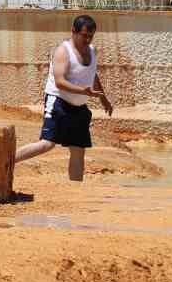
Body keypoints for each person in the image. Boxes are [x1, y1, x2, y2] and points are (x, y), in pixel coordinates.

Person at [14, 15, 114, 181]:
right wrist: (84, 91)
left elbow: (92, 74)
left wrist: (104, 98)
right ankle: (8, 161)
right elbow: (60, 82)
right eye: (84, 36)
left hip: (79, 106)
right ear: (73, 31)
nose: (87, 40)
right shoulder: (63, 51)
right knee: (47, 144)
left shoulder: (92, 51)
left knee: (78, 149)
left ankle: (75, 191)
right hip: (58, 101)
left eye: (91, 36)